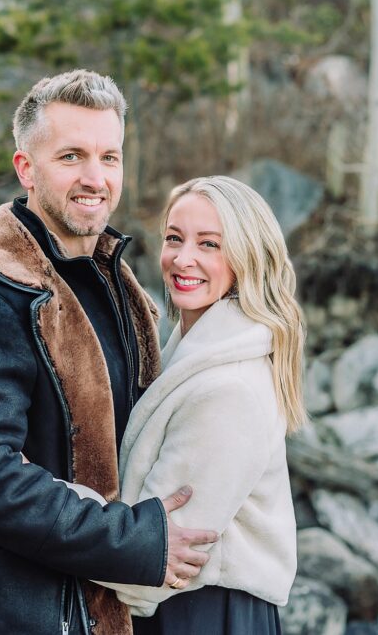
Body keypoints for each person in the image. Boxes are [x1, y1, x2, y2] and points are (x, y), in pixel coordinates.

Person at [0, 70, 218, 635]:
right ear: (25, 168)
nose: (95, 178)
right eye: (72, 156)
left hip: (98, 609)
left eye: (110, 157)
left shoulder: (122, 288)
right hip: (10, 616)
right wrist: (134, 543)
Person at [61, 175, 305, 634]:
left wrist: (44, 496)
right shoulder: (186, 353)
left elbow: (149, 568)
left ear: (246, 258)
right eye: (175, 238)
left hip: (203, 616)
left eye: (209, 244)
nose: (183, 258)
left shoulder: (228, 389)